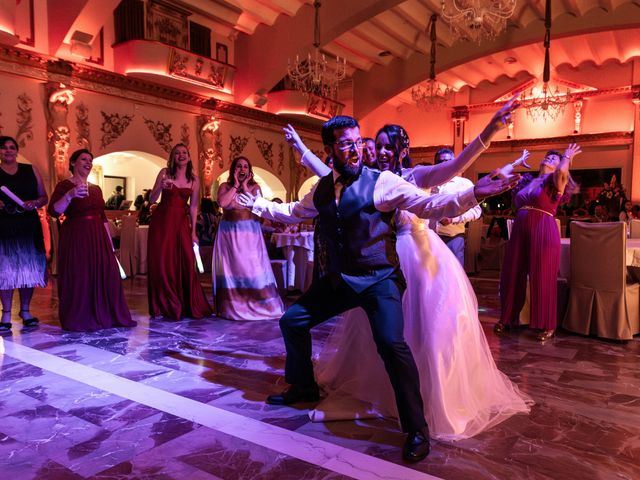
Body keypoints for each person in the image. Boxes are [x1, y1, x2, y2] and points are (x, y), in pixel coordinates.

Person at [238, 113, 519, 462]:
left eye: (358, 142)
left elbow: (428, 204)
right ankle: (303, 385)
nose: (355, 150)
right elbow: (296, 211)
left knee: (391, 344)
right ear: (330, 150)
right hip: (341, 279)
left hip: (378, 280)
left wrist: (475, 192)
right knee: (291, 321)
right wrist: (260, 206)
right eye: (345, 144)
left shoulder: (383, 182)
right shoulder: (323, 188)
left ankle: (416, 428)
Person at [303, 123, 532, 441]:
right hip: (383, 260)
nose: (380, 152)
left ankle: (430, 401)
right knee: (381, 335)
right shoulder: (373, 179)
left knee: (429, 331)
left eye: (387, 146)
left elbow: (454, 166)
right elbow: (330, 179)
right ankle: (384, 390)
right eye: (377, 146)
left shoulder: (418, 176)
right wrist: (302, 150)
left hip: (423, 259)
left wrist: (490, 131)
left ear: (402, 149)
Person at [496, 146, 581, 342]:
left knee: (542, 276)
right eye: (548, 156)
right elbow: (499, 174)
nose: (550, 159)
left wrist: (566, 157)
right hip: (520, 228)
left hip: (543, 228)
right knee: (512, 273)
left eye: (554, 158)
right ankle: (507, 318)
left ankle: (546, 324)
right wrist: (517, 162)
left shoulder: (556, 181)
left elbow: (561, 171)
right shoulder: (527, 181)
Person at [48, 149, 136, 331]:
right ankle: (80, 317)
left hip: (98, 236)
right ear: (73, 163)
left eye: (90, 160)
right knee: (80, 275)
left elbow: (102, 216)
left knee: (107, 274)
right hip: (76, 236)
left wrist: (110, 244)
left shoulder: (95, 189)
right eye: (83, 159)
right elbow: (54, 211)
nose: (88, 162)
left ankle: (106, 314)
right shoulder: (64, 186)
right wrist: (70, 195)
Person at [212, 156, 284, 321]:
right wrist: (236, 185)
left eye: (245, 166)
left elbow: (258, 208)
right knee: (233, 269)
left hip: (250, 234)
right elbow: (223, 202)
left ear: (249, 171)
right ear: (233, 170)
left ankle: (261, 305)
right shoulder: (225, 186)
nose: (242, 169)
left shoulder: (254, 188)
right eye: (239, 166)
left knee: (251, 268)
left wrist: (244, 186)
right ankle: (232, 306)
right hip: (229, 235)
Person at [147, 143, 212, 320]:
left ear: (189, 157)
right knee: (162, 261)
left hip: (181, 222)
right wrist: (160, 186)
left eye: (184, 153)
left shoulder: (195, 179)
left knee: (185, 260)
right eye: (177, 153)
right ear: (173, 157)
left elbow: (193, 207)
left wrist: (193, 232)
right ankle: (163, 305)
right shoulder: (164, 173)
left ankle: (184, 302)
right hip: (162, 221)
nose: (181, 155)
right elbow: (152, 199)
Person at [0, 136, 47, 330]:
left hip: (28, 222)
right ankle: (6, 314)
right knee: (5, 268)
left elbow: (44, 196)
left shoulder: (31, 169)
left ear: (17, 150)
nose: (8, 151)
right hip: (3, 223)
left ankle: (26, 311)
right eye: (3, 148)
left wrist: (35, 203)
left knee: (29, 267)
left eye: (12, 147)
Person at [428, 147, 484, 265]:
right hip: (429, 239)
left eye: (447, 161)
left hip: (453, 238)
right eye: (439, 162)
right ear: (435, 164)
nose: (443, 165)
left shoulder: (463, 184)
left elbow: (476, 211)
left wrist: (454, 219)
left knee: (454, 278)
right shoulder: (429, 183)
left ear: (454, 163)